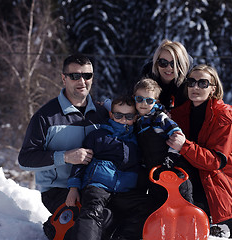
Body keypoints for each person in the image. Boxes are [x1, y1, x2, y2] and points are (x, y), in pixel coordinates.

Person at [18, 54, 109, 237]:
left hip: (94, 187)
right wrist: (65, 156)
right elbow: (25, 159)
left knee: (112, 221)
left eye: (87, 76)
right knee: (83, 227)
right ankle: (55, 227)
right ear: (63, 78)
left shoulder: (102, 114)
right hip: (58, 190)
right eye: (75, 76)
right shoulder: (46, 116)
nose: (82, 81)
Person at [167, 64, 232, 239]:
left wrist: (184, 146)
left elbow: (215, 162)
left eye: (202, 83)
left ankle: (214, 225)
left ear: (213, 89)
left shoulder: (222, 118)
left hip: (224, 185)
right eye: (191, 82)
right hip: (197, 178)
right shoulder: (180, 114)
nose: (195, 87)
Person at [65, 95, 144, 240]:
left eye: (128, 116)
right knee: (92, 211)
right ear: (111, 114)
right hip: (98, 185)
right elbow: (80, 162)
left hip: (124, 191)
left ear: (136, 117)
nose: (123, 120)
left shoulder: (138, 139)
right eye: (119, 115)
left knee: (145, 206)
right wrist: (73, 188)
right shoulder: (99, 136)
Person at [133, 78, 194, 212]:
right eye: (139, 99)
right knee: (159, 202)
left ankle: (189, 224)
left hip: (171, 167)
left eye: (149, 100)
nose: (144, 104)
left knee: (179, 198)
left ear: (156, 102)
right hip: (153, 170)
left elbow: (178, 134)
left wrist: (171, 157)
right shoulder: (137, 121)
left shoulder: (160, 118)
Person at [140, 39, 192, 110]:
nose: (169, 68)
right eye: (163, 62)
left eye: (174, 64)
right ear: (156, 63)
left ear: (182, 65)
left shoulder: (190, 82)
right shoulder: (147, 77)